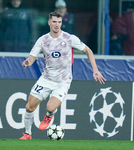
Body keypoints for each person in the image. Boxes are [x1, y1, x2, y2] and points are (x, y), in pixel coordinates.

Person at [19, 11, 106, 140]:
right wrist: (28, 62)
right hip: (46, 78)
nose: (57, 25)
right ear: (49, 23)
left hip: (63, 81)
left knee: (50, 107)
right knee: (29, 107)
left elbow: (88, 50)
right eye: (54, 22)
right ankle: (27, 134)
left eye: (59, 22)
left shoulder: (70, 39)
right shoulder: (42, 40)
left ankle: (49, 115)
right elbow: (32, 57)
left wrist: (95, 69)